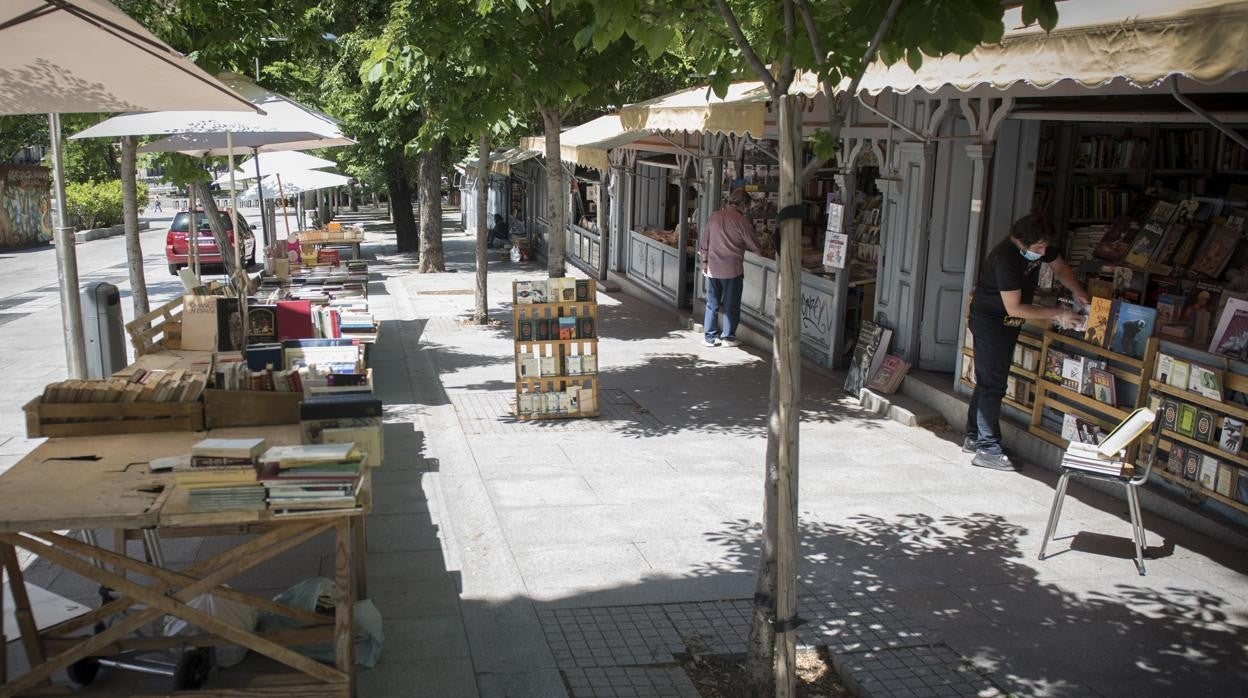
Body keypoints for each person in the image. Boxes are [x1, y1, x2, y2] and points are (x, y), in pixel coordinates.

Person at [965, 214, 1089, 471]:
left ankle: (975, 436)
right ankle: (988, 448)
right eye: (1037, 249)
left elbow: (1061, 268)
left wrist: (1077, 290)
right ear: (1020, 242)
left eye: (1045, 247)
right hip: (991, 321)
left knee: (989, 379)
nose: (1043, 252)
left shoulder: (1039, 244)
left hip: (1006, 323)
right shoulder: (1006, 258)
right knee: (993, 384)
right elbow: (1015, 308)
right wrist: (1057, 313)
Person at [698, 187, 762, 347]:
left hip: (713, 269)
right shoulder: (742, 221)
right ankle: (728, 337)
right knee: (731, 304)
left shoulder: (714, 216)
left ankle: (709, 338)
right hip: (732, 269)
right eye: (747, 206)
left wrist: (705, 263)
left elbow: (704, 243)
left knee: (712, 303)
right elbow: (755, 246)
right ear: (744, 205)